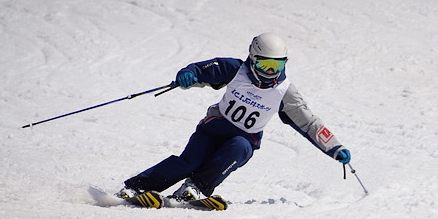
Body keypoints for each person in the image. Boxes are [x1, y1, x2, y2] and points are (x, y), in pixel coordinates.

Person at [118, 32, 351, 209]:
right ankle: (137, 187)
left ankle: (195, 189)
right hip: (212, 130)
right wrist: (188, 75)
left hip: (243, 139)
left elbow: (309, 124)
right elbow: (201, 70)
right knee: (189, 162)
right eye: (264, 65)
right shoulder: (235, 69)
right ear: (252, 58)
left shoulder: (285, 92)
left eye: (277, 66)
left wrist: (334, 148)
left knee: (238, 147)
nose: (270, 72)